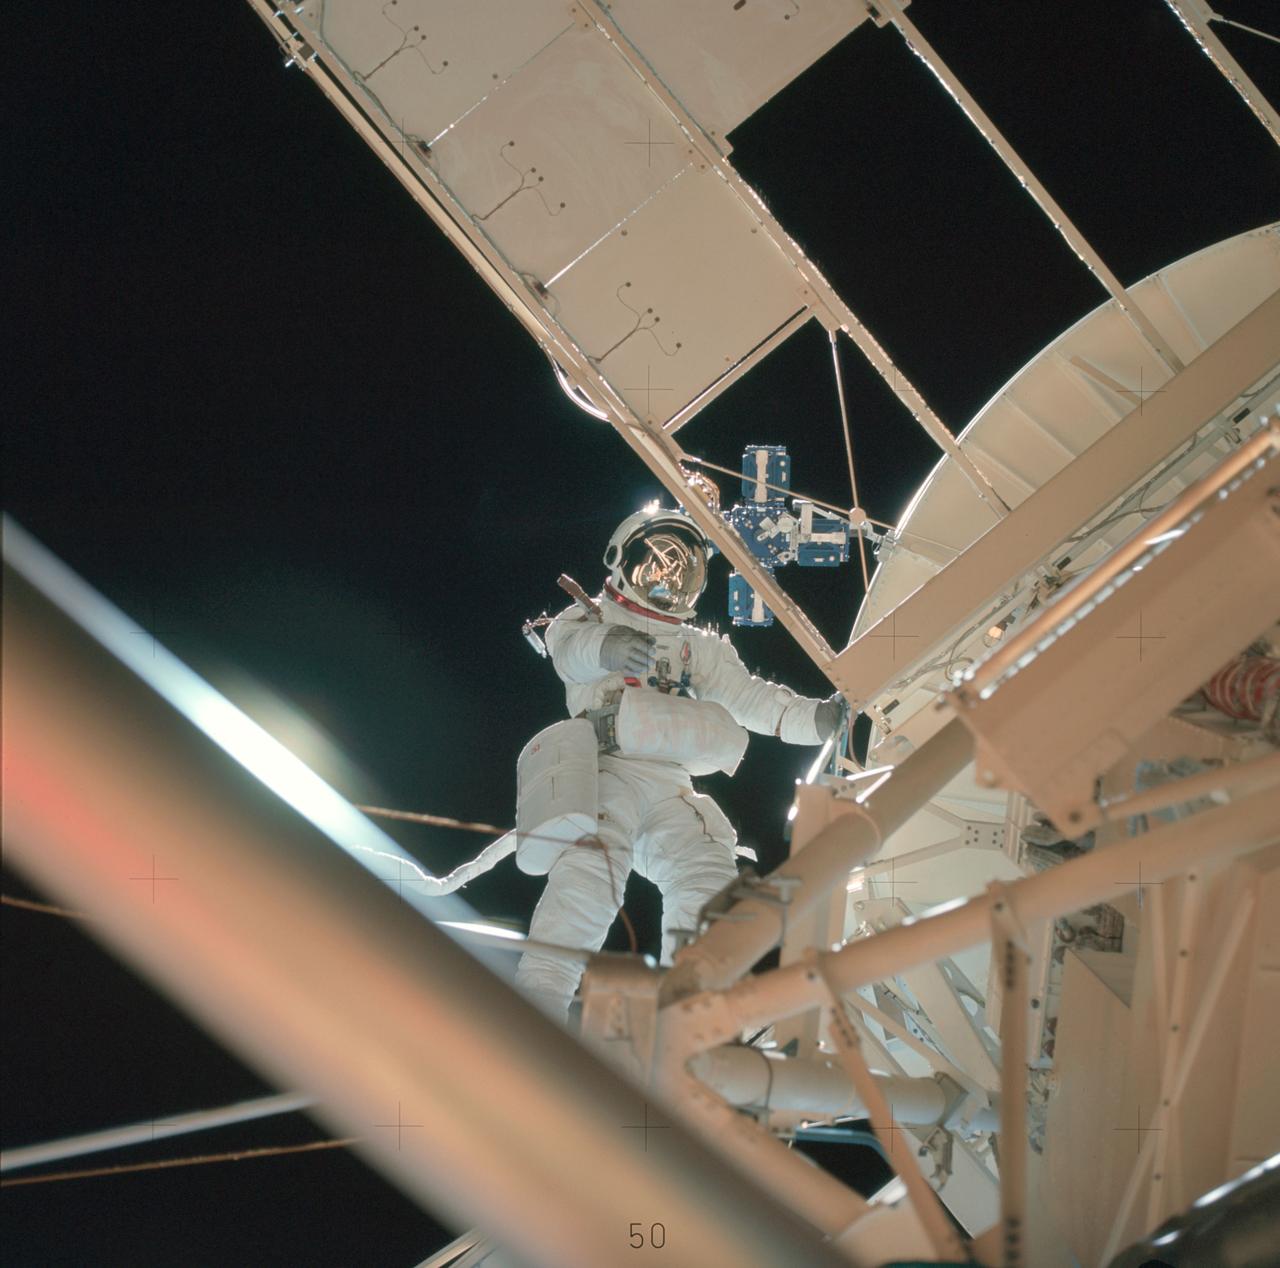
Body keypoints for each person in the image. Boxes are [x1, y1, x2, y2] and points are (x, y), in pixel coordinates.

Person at [514, 506, 843, 1018]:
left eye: (684, 567)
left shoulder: (697, 648)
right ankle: (540, 999)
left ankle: (684, 1013)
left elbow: (751, 698)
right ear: (621, 559)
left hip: (671, 784)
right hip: (608, 770)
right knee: (591, 877)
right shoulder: (588, 618)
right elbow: (568, 653)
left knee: (707, 875)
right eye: (659, 560)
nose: (671, 575)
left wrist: (815, 720)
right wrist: (609, 646)